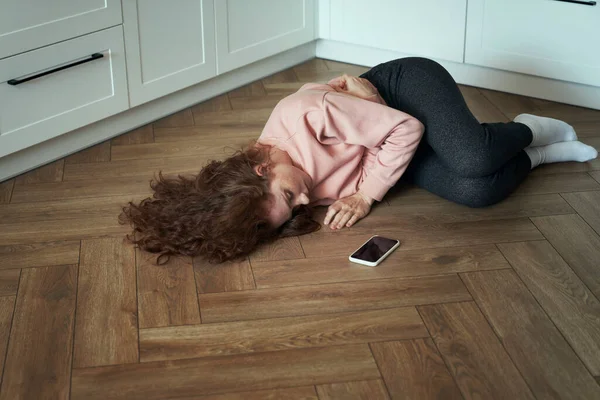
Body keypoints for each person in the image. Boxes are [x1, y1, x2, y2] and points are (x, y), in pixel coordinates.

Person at [120, 57, 598, 264]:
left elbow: (405, 127)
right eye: (297, 208)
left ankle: (532, 126)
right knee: (478, 192)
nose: (308, 198)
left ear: (262, 169)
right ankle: (541, 156)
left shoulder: (303, 116)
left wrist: (367, 196)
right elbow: (384, 150)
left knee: (473, 158)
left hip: (403, 93)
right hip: (386, 143)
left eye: (291, 194)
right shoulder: (279, 197)